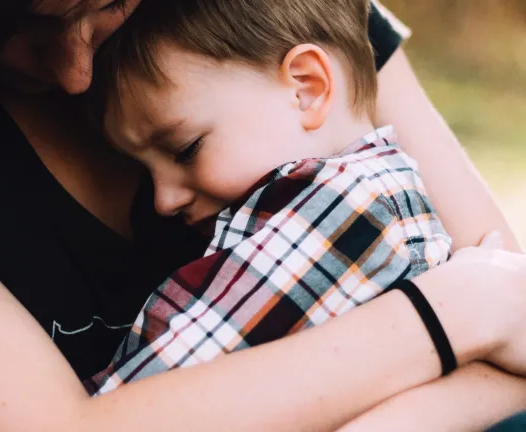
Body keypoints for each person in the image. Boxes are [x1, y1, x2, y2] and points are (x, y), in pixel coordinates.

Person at [0, 0, 524, 431]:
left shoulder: (272, 24)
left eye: (98, 7)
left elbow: (517, 336)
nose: (75, 73)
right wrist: (449, 315)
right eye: (14, 29)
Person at [83, 0, 454, 394]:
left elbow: (151, 393)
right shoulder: (380, 192)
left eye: (186, 149)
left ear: (307, 89)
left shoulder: (340, 212)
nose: (163, 200)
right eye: (144, 169)